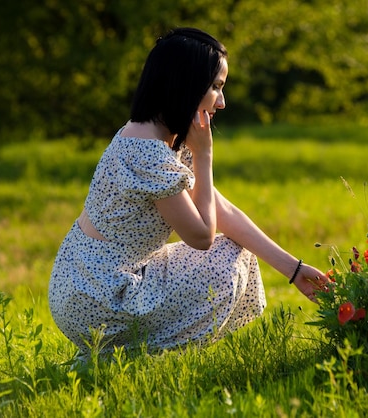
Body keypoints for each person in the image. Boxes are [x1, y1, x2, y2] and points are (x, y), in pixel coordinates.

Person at [48, 27, 329, 359]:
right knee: (225, 261)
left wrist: (294, 270)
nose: (221, 102)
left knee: (237, 251)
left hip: (84, 281)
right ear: (186, 83)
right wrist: (204, 156)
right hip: (98, 293)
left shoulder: (154, 135)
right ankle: (126, 357)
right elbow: (201, 236)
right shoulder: (148, 152)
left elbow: (221, 211)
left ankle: (113, 357)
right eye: (215, 87)